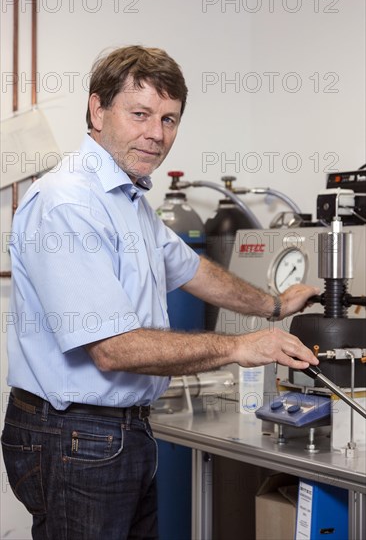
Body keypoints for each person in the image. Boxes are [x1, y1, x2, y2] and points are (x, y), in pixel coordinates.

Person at [1, 45, 319, 540]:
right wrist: (238, 347)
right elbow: (113, 348)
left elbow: (192, 269)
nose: (156, 133)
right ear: (97, 109)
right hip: (75, 436)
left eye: (169, 119)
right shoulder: (67, 202)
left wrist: (274, 305)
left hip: (117, 432)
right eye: (141, 114)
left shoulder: (127, 198)